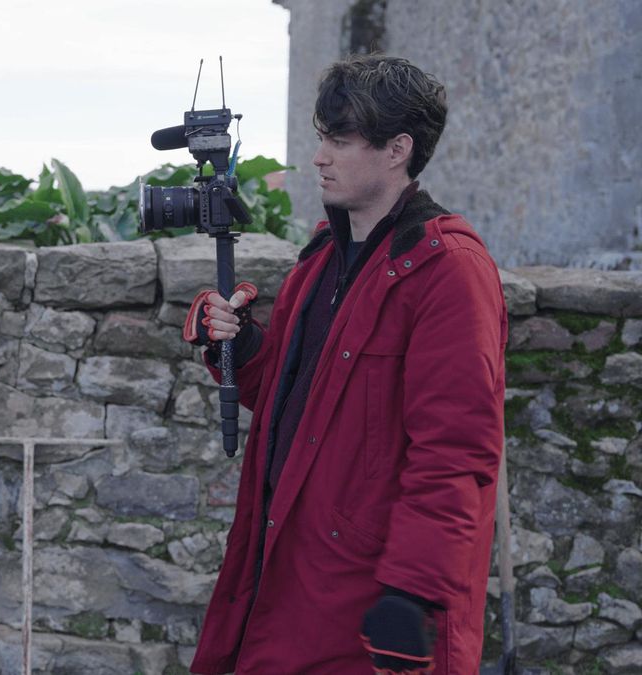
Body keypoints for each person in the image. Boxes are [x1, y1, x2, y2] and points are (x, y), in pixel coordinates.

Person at [183, 55, 507, 674]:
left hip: (364, 600)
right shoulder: (324, 254)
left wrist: (411, 595)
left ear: (397, 150)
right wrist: (242, 348)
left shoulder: (449, 273)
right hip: (281, 569)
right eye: (322, 139)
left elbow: (456, 452)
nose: (320, 157)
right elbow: (304, 403)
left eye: (341, 140)